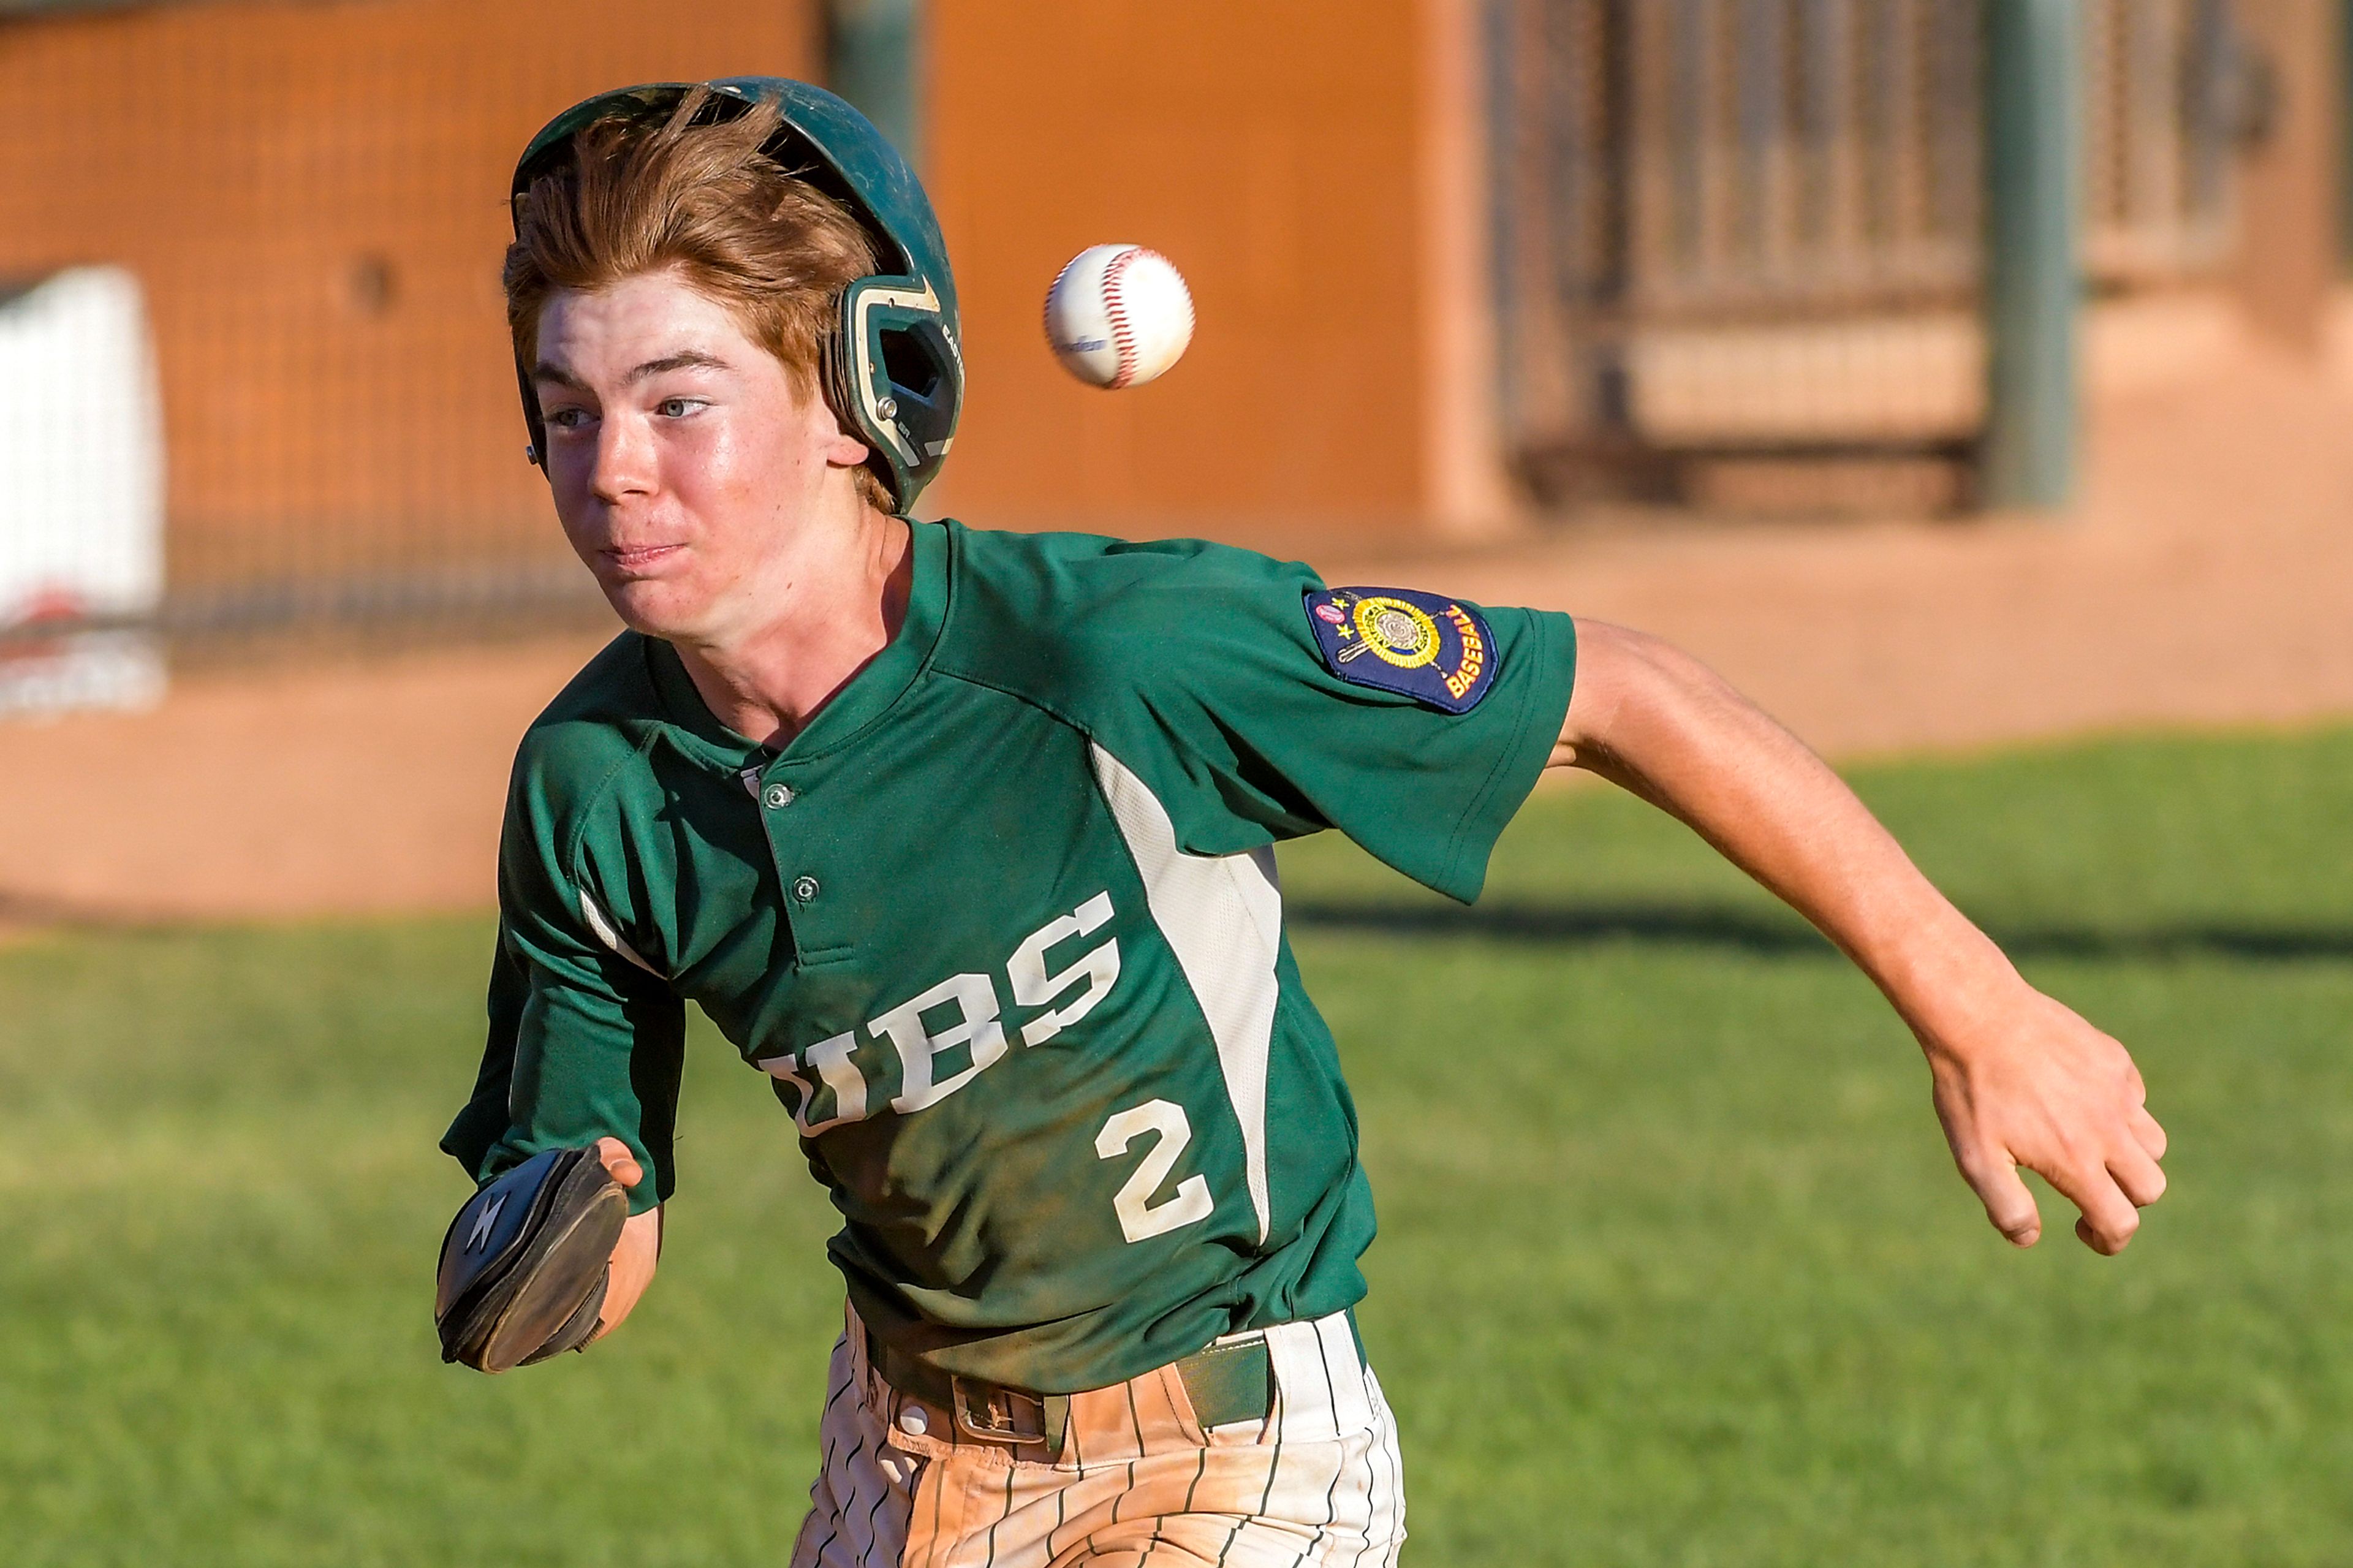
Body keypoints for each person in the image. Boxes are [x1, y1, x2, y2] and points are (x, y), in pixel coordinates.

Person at [441, 78, 2166, 1568]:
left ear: (852, 396)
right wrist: (545, 1257)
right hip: (909, 1460)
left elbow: (1618, 693)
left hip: (1242, 1434)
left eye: (679, 401)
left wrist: (1977, 1005)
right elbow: (601, 1200)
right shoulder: (592, 789)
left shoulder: (1104, 657)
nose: (614, 469)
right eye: (568, 411)